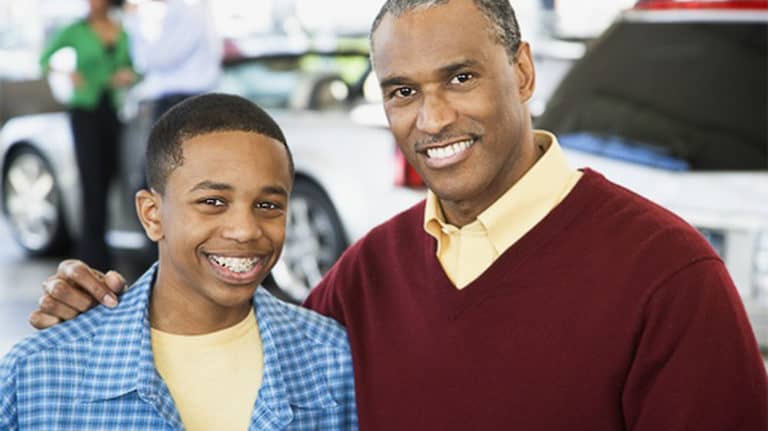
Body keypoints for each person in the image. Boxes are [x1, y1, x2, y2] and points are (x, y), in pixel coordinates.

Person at [29, 1, 768, 429]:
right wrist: (108, 307)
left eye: (461, 77)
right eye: (401, 91)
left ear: (522, 71)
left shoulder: (668, 276)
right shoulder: (369, 271)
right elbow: (234, 356)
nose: (433, 116)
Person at [0, 94, 357, 430]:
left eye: (268, 206)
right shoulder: (38, 374)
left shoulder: (333, 362)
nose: (245, 230)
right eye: (213, 202)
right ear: (152, 214)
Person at [39, 0, 137, 271]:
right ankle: (91, 255)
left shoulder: (123, 31)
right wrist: (67, 73)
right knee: (90, 181)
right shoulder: (75, 30)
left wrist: (128, 76)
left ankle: (105, 247)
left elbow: (136, 68)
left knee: (110, 178)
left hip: (112, 110)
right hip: (85, 111)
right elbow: (44, 59)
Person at [122, 0, 222, 122]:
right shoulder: (179, 9)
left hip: (182, 102)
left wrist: (133, 19)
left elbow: (152, 60)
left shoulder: (189, 8)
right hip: (181, 101)